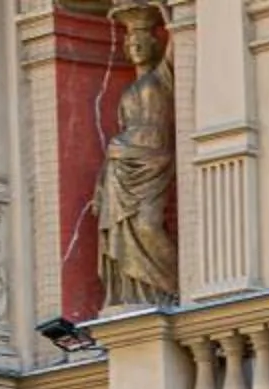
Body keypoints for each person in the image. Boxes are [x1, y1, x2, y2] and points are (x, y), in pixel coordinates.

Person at [98, 5, 180, 308]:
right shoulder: (128, 90)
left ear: (154, 44)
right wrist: (100, 185)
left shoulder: (161, 78)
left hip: (153, 163)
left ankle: (172, 286)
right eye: (130, 44)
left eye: (141, 43)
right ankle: (134, 294)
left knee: (148, 225)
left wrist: (169, 15)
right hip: (120, 168)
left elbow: (177, 45)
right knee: (125, 232)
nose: (135, 48)